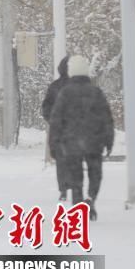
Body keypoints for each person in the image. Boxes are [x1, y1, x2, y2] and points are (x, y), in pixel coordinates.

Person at [49, 55, 114, 220]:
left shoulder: (65, 93)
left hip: (71, 143)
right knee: (95, 173)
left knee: (75, 176)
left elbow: (56, 120)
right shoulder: (96, 92)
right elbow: (106, 118)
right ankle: (91, 199)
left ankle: (78, 207)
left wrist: (54, 143)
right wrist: (109, 141)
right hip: (94, 141)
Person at [41, 56, 70, 200]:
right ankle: (75, 185)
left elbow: (46, 107)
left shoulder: (54, 86)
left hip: (58, 128)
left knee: (61, 159)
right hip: (76, 128)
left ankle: (63, 189)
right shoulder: (81, 86)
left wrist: (52, 120)